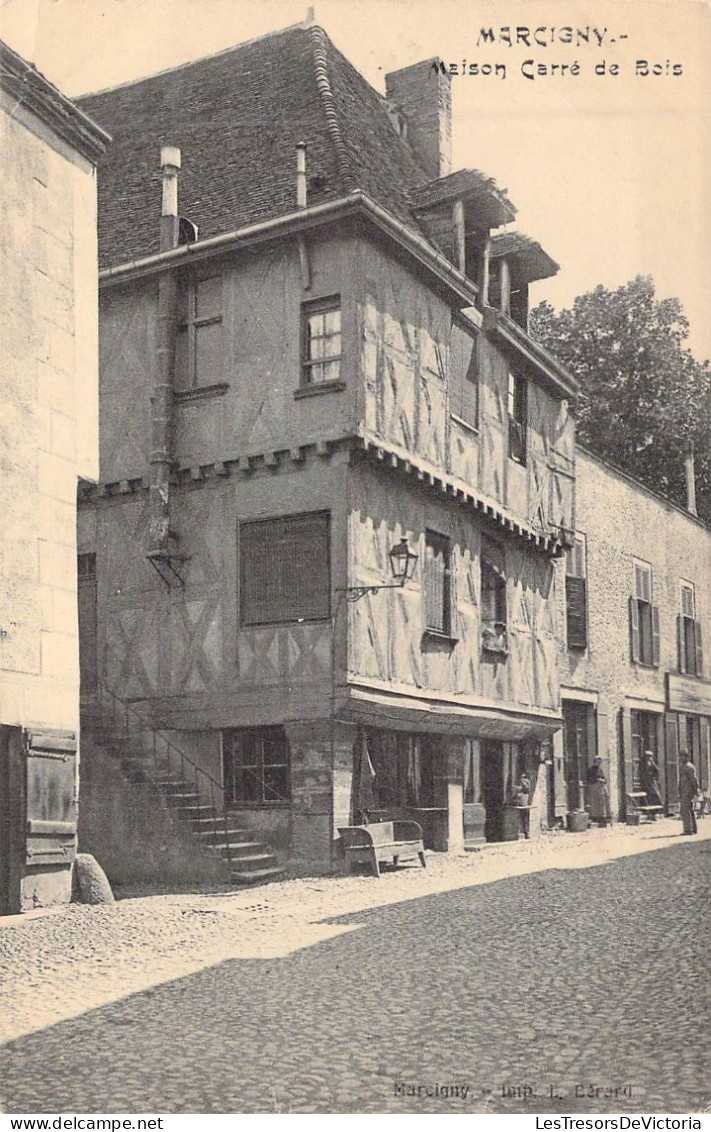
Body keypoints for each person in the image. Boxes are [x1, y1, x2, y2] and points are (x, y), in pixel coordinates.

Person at [585, 756, 611, 826]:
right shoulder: (590, 770)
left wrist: (603, 780)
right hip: (594, 788)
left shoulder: (600, 770)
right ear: (595, 762)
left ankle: (603, 817)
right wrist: (597, 780)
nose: (599, 763)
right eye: (598, 762)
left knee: (602, 803)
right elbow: (589, 779)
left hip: (601, 788)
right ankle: (595, 817)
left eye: (600, 762)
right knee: (595, 803)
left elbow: (604, 779)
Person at [678, 750, 699, 835]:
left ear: (687, 757)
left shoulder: (689, 767)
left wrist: (695, 791)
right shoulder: (682, 766)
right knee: (689, 810)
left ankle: (688, 830)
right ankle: (693, 829)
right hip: (684, 790)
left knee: (685, 810)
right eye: (680, 756)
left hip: (688, 791)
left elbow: (694, 780)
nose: (681, 758)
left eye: (683, 756)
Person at [640, 749, 663, 817]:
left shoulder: (652, 764)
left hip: (652, 784)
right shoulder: (643, 764)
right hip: (645, 784)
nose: (649, 758)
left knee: (655, 798)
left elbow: (657, 771)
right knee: (647, 799)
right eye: (647, 756)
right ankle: (649, 814)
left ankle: (654, 814)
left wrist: (653, 777)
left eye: (650, 756)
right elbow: (641, 772)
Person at [511, 771, 532, 839]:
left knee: (525, 818)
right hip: (519, 805)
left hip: (523, 805)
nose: (524, 780)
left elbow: (525, 789)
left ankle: (526, 832)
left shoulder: (524, 790)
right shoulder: (518, 788)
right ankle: (525, 833)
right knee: (523, 818)